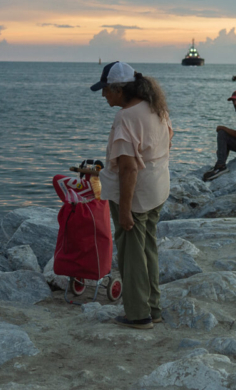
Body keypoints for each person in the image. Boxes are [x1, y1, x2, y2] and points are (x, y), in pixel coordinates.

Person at [90, 61, 173, 330]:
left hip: (136, 197)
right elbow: (167, 140)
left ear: (118, 89)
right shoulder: (155, 107)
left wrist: (124, 210)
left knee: (132, 256)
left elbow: (128, 168)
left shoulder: (126, 118)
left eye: (105, 90)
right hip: (157, 189)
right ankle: (154, 308)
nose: (103, 95)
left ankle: (138, 315)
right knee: (148, 249)